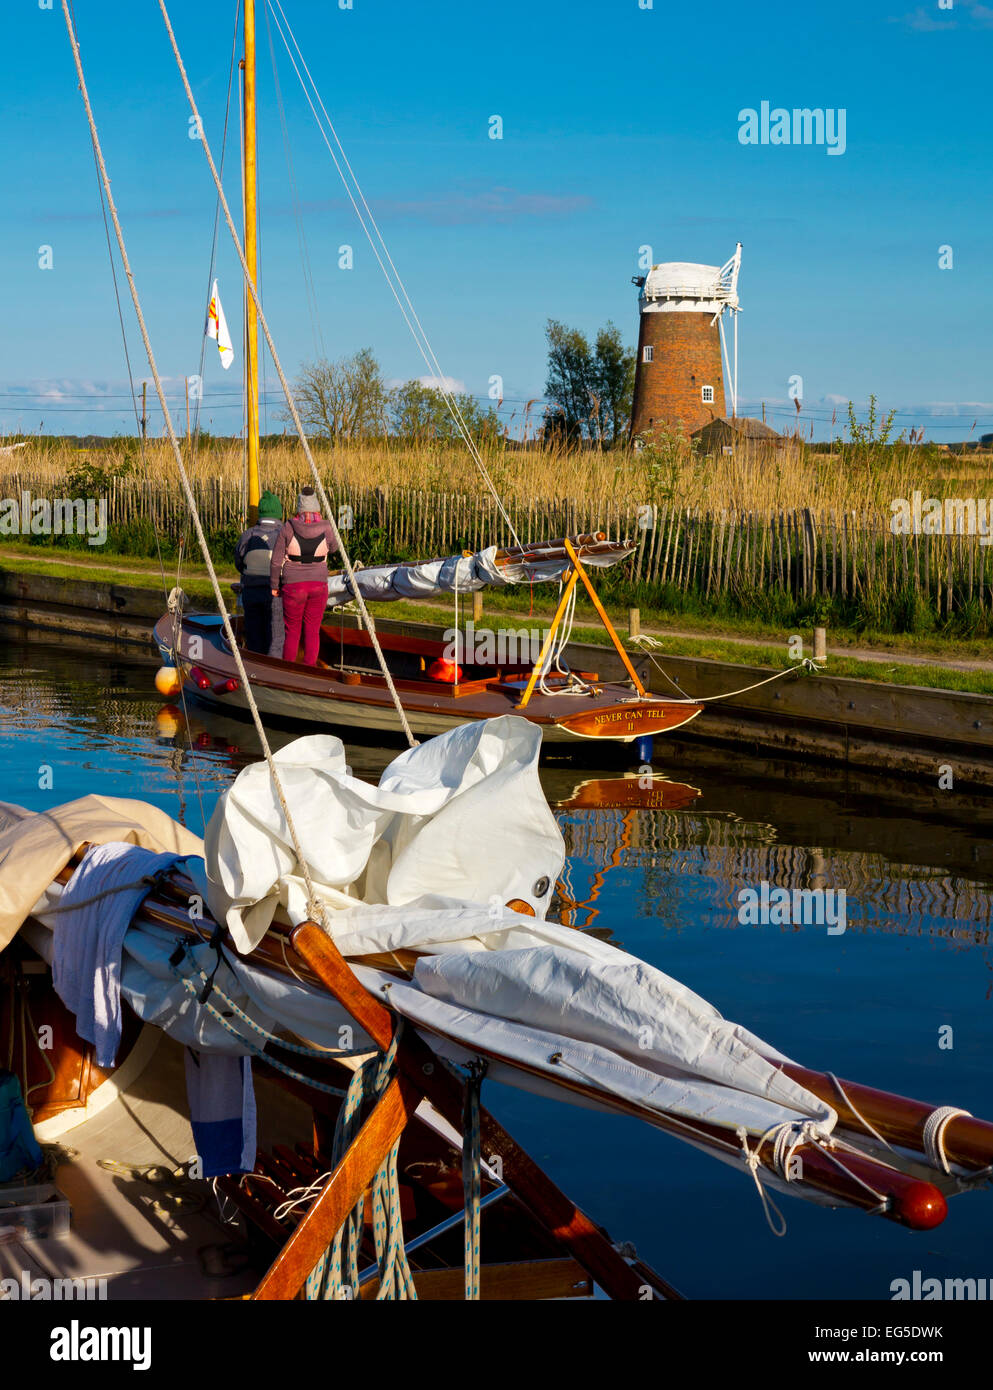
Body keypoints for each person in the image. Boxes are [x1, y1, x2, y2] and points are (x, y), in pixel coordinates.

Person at [269, 486, 338, 666]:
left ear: (299, 506)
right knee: (313, 630)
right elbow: (334, 548)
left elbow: (276, 561)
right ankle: (310, 670)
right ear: (316, 506)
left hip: (293, 586)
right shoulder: (326, 527)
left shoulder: (288, 527)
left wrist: (274, 585)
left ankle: (290, 669)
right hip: (318, 585)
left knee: (292, 631)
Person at [234, 490, 284, 655]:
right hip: (275, 593)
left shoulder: (248, 535)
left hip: (251, 590)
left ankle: (254, 667)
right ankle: (272, 670)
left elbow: (239, 562)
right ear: (278, 513)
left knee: (254, 633)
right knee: (275, 635)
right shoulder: (283, 535)